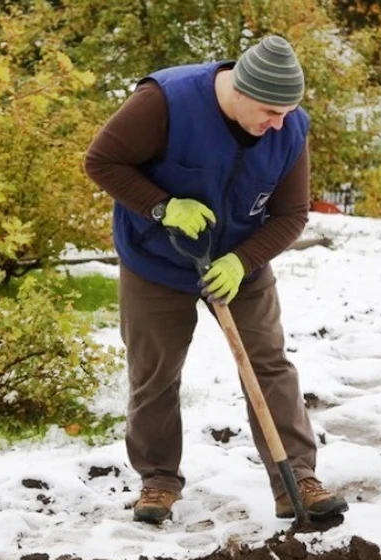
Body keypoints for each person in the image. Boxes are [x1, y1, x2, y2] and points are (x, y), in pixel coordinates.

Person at [84, 35, 347, 524]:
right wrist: (162, 206)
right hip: (156, 260)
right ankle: (158, 481)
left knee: (268, 364)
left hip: (238, 262)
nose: (278, 125)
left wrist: (241, 262)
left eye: (288, 112)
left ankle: (297, 479)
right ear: (239, 92)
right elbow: (101, 162)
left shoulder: (289, 130)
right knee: (155, 372)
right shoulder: (165, 102)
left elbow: (291, 215)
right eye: (271, 111)